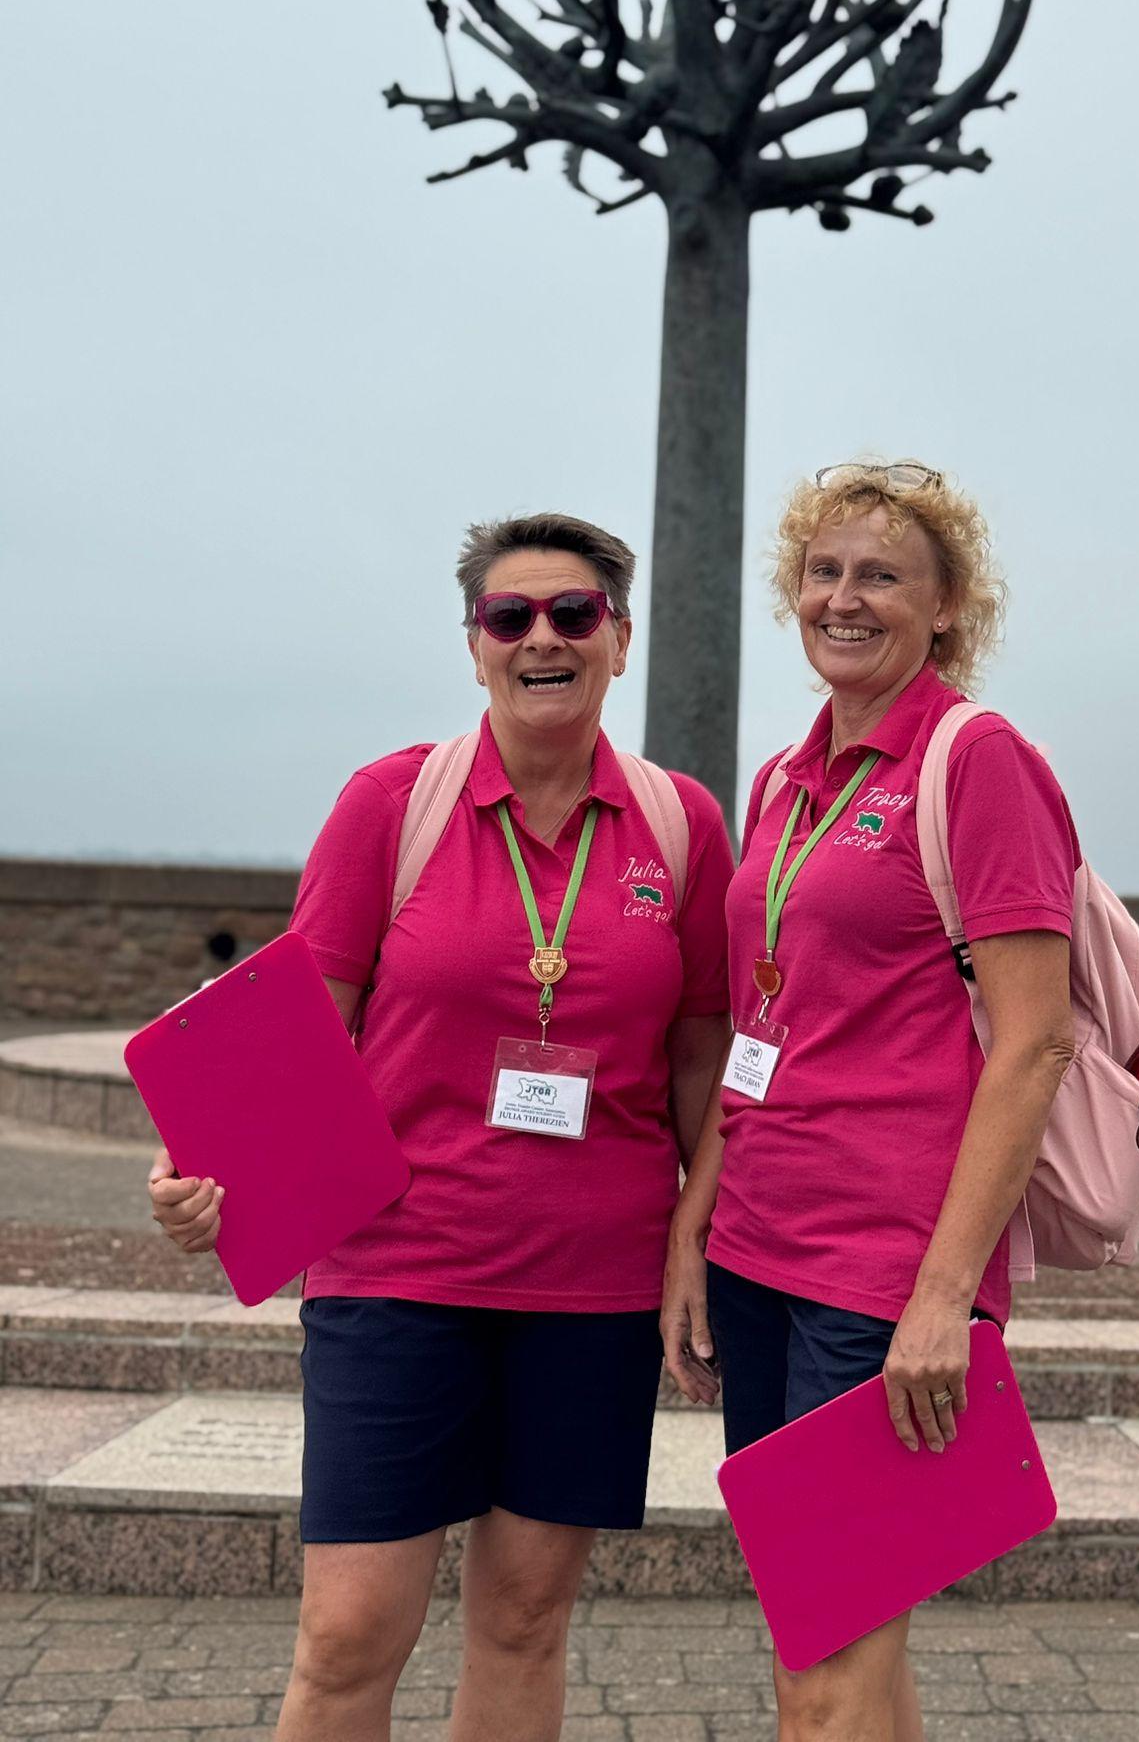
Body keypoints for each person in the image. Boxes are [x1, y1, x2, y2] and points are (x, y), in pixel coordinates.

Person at [149, 511, 733, 1742]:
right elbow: (297, 1030)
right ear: (474, 646)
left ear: (620, 638)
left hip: (593, 1284)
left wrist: (698, 1230)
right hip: (397, 1270)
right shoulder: (391, 803)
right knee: (349, 1630)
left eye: (573, 612)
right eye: (509, 615)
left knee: (524, 1619)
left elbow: (701, 1057)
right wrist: (199, 1169)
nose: (542, 637)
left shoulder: (681, 824)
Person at [662, 461, 1081, 1742]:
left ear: (945, 606)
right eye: (824, 571)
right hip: (758, 1253)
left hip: (881, 1274)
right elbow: (764, 1030)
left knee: (825, 1666)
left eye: (883, 575)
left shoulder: (978, 760)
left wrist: (945, 1296)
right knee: (827, 1632)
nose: (844, 598)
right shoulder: (785, 780)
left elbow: (1034, 1043)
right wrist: (693, 1225)